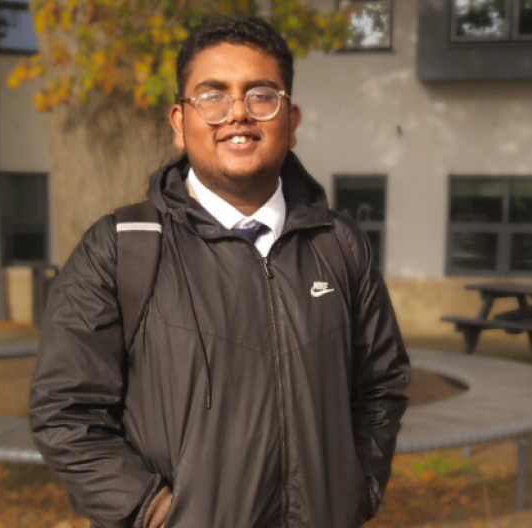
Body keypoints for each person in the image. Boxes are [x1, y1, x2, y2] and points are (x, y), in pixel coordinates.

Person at [29, 15, 410, 528]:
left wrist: (356, 488)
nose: (237, 114)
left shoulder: (339, 246)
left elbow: (382, 385)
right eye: (212, 95)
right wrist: (152, 510)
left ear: (290, 121)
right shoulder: (120, 249)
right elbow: (65, 410)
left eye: (260, 95)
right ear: (179, 123)